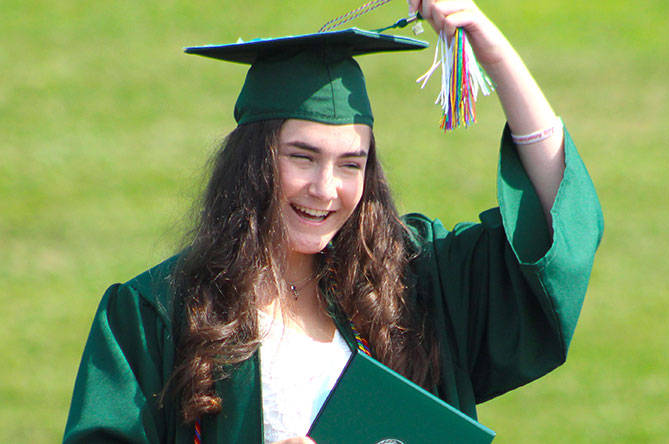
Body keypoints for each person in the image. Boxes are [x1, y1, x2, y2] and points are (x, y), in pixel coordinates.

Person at [63, 1, 603, 443]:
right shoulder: (157, 313)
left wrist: (489, 47)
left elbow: (555, 227)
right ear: (253, 162)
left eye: (352, 163)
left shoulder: (412, 282)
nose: (326, 190)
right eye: (301, 157)